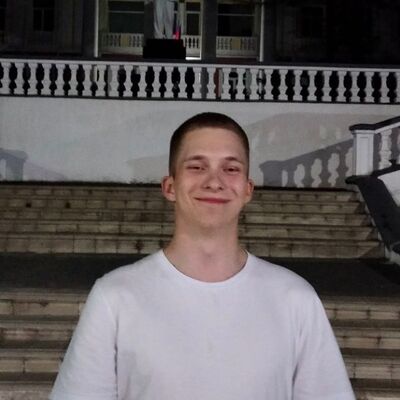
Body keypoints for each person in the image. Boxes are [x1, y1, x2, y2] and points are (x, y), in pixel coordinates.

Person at [50, 112, 355, 400]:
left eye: (231, 169)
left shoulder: (295, 299)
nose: (214, 181)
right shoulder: (115, 297)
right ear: (170, 186)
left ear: (247, 189)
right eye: (197, 167)